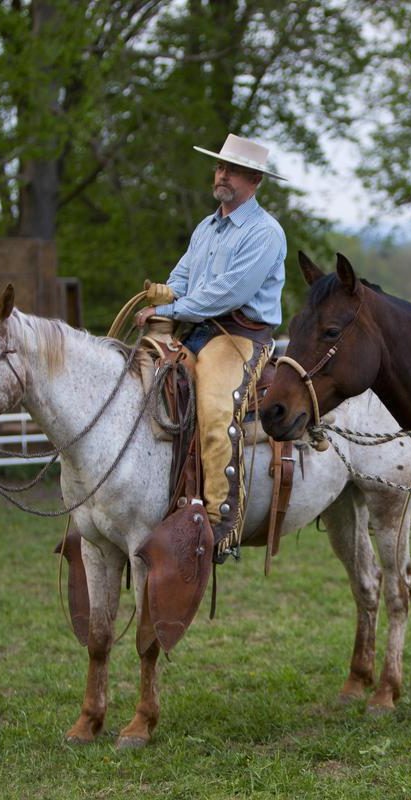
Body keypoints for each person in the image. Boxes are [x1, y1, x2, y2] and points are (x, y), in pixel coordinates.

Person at [135, 133, 288, 562]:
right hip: (195, 330)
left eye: (233, 170)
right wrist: (159, 299)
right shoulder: (206, 227)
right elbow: (182, 278)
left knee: (218, 407)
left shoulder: (265, 232)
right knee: (140, 377)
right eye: (220, 167)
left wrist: (179, 308)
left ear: (255, 179)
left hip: (238, 337)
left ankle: (223, 522)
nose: (222, 175)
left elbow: (230, 292)